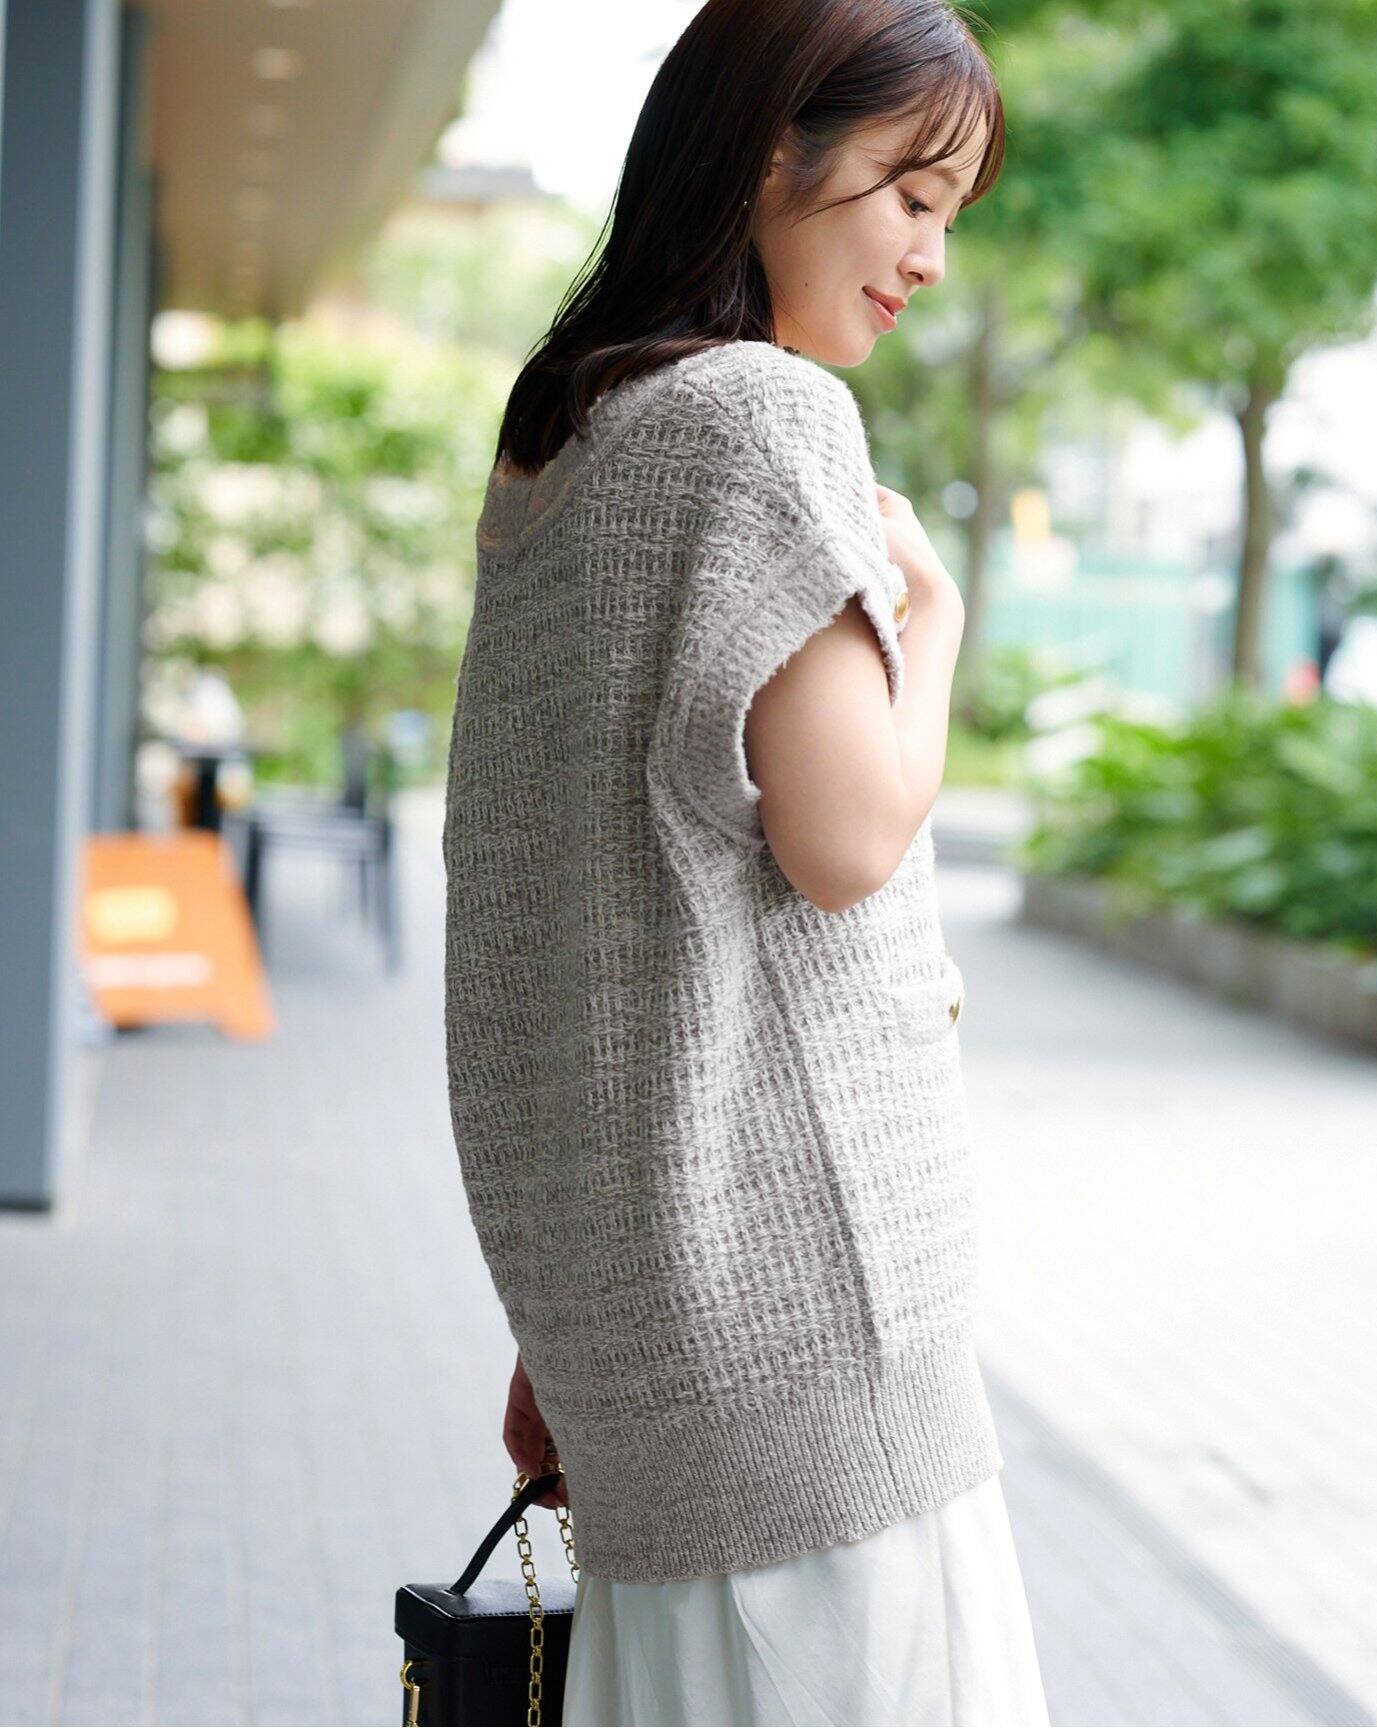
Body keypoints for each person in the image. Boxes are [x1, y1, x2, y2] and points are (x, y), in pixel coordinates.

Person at [443, 0, 1050, 1720]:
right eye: (910, 195)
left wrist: (564, 1321)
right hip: (801, 1313)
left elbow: (564, 917)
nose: (930, 257)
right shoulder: (762, 416)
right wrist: (934, 619)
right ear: (771, 151)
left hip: (641, 1317)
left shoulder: (562, 446)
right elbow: (847, 837)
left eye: (951, 212)